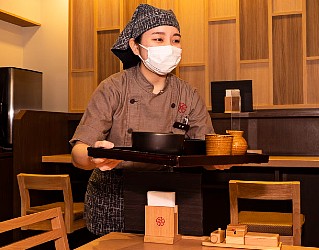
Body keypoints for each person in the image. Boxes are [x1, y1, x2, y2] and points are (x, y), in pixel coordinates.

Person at [70, 3, 214, 236]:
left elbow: (207, 152)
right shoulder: (113, 88)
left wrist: (220, 159)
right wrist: (94, 157)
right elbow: (79, 151)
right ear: (135, 47)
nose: (169, 46)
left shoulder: (187, 93)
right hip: (114, 191)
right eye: (158, 39)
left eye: (175, 40)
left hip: (167, 189)